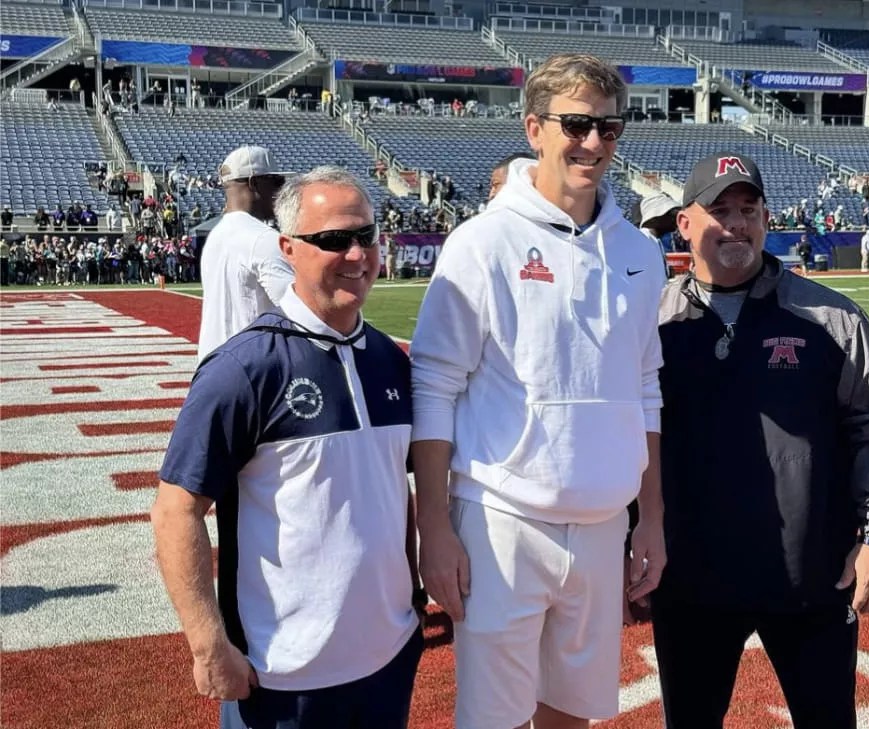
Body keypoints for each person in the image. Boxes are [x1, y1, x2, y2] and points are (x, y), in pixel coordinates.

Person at [409, 53, 667, 729]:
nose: (593, 143)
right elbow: (434, 384)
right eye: (576, 125)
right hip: (502, 517)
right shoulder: (482, 241)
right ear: (534, 128)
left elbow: (645, 389)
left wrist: (653, 518)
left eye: (609, 129)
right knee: (492, 718)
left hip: (604, 521)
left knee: (573, 715)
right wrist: (432, 524)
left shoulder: (640, 252)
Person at [152, 166, 423, 729]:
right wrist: (208, 645)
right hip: (282, 678)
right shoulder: (243, 369)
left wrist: (412, 605)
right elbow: (175, 510)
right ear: (287, 248)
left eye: (366, 236)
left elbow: (395, 486)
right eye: (332, 240)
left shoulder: (390, 359)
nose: (356, 254)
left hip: (389, 659)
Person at [651, 152, 869, 729]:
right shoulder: (650, 321)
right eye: (719, 210)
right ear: (684, 223)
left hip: (810, 574)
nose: (736, 224)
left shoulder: (832, 318)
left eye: (749, 209)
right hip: (690, 576)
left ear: (767, 219)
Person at [196, 145, 294, 363]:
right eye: (276, 182)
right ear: (254, 183)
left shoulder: (215, 236)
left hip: (212, 365)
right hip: (250, 367)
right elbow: (300, 312)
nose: (282, 191)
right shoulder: (263, 238)